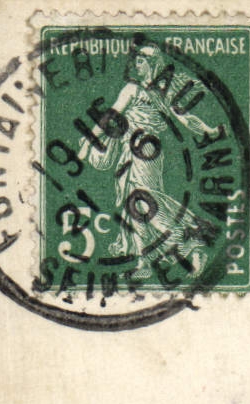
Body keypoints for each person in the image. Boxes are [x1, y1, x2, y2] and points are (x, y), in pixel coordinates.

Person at [78, 43, 219, 278]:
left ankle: (188, 239)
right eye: (136, 61)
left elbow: (187, 120)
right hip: (128, 151)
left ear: (154, 65)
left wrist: (209, 130)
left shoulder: (159, 95)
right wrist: (91, 138)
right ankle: (143, 262)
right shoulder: (133, 89)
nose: (137, 65)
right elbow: (111, 116)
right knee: (130, 204)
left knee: (143, 200)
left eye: (142, 61)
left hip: (147, 150)